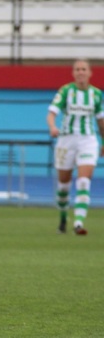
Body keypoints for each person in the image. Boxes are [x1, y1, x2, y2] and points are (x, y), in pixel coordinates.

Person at [46, 59, 104, 235]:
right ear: (73, 73)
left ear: (89, 73)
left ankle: (78, 223)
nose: (80, 72)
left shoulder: (96, 94)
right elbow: (51, 113)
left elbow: (101, 121)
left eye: (83, 69)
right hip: (66, 140)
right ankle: (63, 217)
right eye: (77, 69)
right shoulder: (66, 91)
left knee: (84, 180)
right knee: (64, 184)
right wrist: (52, 127)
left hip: (88, 140)